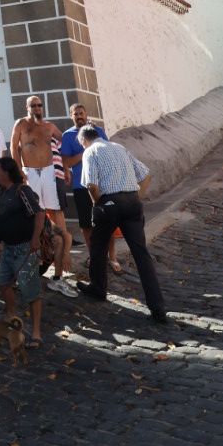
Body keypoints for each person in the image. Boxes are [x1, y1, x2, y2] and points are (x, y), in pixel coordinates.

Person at [75, 128, 170, 325]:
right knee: (141, 254)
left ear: (84, 140)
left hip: (109, 202)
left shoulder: (90, 151)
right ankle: (157, 307)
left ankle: (98, 288)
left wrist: (98, 204)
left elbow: (91, 185)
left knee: (98, 246)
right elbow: (146, 176)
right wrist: (137, 197)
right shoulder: (119, 147)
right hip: (132, 202)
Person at [11, 96, 73, 296]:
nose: (37, 108)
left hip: (48, 172)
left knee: (54, 211)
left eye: (39, 105)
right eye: (33, 105)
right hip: (30, 171)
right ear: (27, 107)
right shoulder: (21, 124)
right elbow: (14, 147)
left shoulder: (49, 126)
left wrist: (67, 165)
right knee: (33, 212)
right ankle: (34, 253)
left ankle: (62, 254)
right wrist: (18, 170)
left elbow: (67, 141)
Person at [58, 103, 120, 274]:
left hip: (103, 185)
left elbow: (108, 152)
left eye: (81, 113)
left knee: (109, 222)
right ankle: (95, 256)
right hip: (81, 186)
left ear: (86, 114)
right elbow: (66, 162)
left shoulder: (98, 131)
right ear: (71, 116)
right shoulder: (68, 136)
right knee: (87, 225)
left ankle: (112, 257)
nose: (79, 116)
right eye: (75, 113)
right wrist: (86, 151)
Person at [0, 155, 44, 346]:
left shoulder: (23, 191)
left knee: (31, 291)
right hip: (8, 248)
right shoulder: (3, 192)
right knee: (3, 281)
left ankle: (36, 333)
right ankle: (11, 314)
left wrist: (35, 239)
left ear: (6, 172)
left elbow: (39, 213)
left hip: (25, 248)